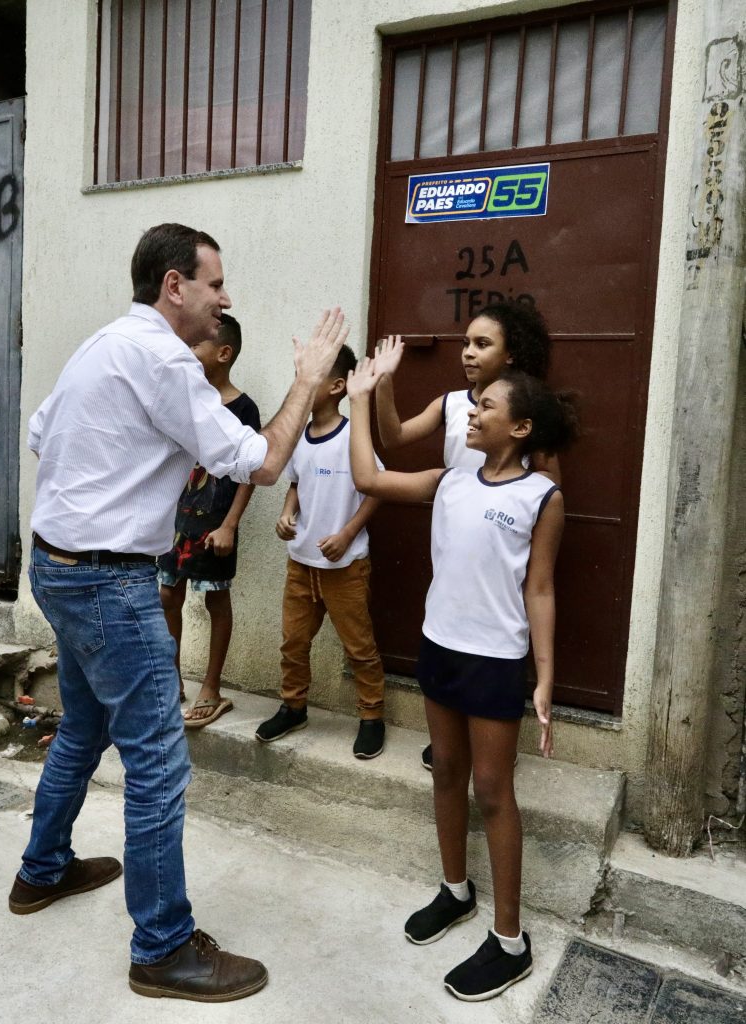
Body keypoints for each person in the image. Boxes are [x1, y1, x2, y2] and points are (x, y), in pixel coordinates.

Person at [12, 223, 350, 1003]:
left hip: (57, 565)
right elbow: (263, 462)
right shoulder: (163, 357)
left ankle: (42, 870)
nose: (224, 298)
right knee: (159, 761)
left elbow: (41, 434)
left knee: (86, 727)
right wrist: (307, 380)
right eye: (214, 283)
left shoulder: (103, 344)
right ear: (174, 285)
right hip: (108, 582)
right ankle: (162, 948)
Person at [347, 358, 577, 1002]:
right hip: (438, 647)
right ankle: (456, 891)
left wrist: (545, 678)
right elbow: (369, 475)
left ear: (522, 427)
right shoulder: (450, 479)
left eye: (489, 406)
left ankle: (510, 942)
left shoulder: (542, 498)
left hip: (496, 661)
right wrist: (363, 397)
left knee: (493, 791)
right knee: (445, 770)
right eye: (474, 404)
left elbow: (540, 588)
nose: (472, 412)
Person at [372, 302, 559, 770]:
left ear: (510, 355)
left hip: (500, 550)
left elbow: (549, 490)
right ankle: (452, 737)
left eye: (483, 344)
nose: (468, 353)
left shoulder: (527, 409)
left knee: (494, 642)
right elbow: (393, 438)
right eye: (465, 343)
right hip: (454, 534)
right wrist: (382, 383)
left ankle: (493, 736)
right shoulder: (451, 403)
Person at [255, 344, 387, 760]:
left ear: (338, 386)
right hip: (301, 563)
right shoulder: (299, 437)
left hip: (344, 566)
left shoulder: (353, 437)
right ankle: (293, 706)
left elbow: (376, 488)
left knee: (359, 646)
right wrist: (287, 513)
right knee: (293, 642)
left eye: (312, 376)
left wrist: (347, 534)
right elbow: (296, 481)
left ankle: (371, 717)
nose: (302, 383)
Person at [158, 313, 260, 726]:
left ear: (223, 353)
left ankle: (212, 687)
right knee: (168, 597)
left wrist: (231, 524)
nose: (188, 349)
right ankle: (171, 681)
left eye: (197, 345)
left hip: (215, 523)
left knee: (216, 599)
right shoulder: (186, 399)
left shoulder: (243, 408)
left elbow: (251, 471)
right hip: (174, 522)